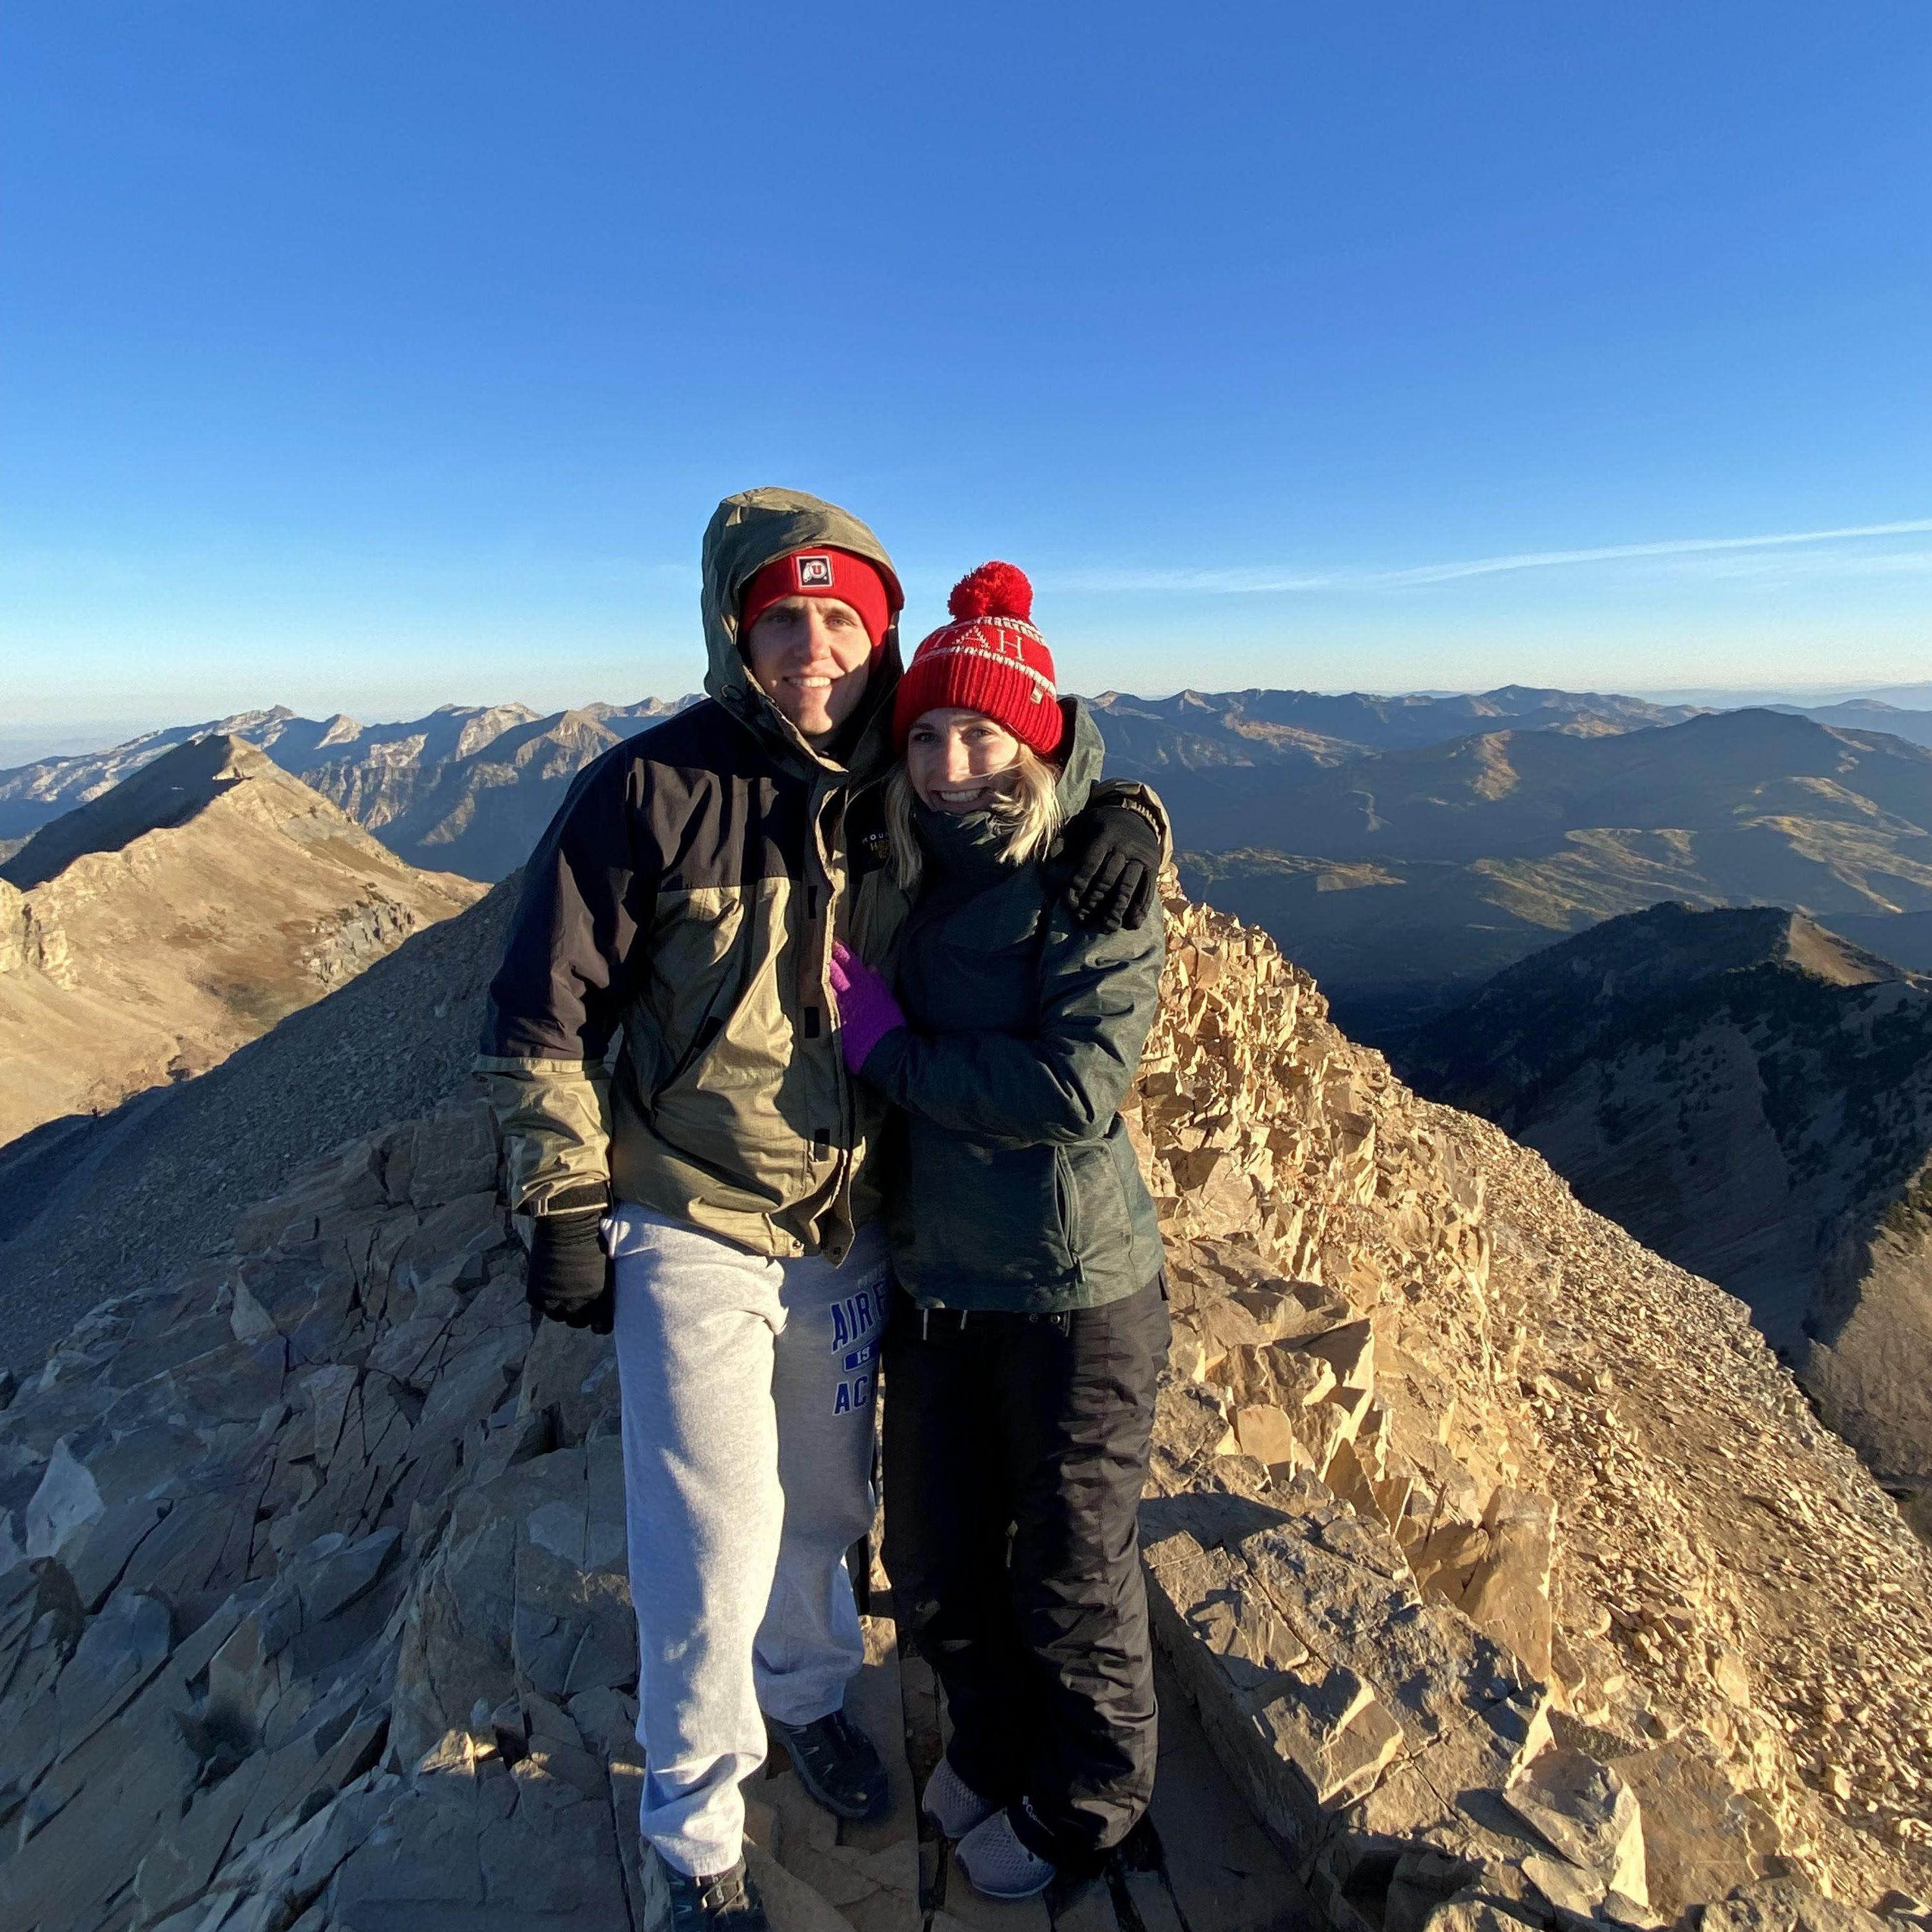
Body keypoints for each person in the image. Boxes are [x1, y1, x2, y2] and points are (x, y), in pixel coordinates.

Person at [477, 492, 1168, 1931]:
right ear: (734, 631)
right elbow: (540, 1008)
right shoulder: (648, 787)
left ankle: (802, 1697)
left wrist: (1124, 804)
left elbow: (1017, 755)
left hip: (851, 1228)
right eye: (780, 619)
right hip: (690, 1214)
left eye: (839, 618)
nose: (811, 648)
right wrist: (559, 1194)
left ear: (879, 634)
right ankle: (694, 1830)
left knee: (830, 1506)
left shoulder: (899, 782)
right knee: (708, 1534)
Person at [828, 561, 1170, 1903]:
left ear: (1032, 741)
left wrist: (895, 1053)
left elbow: (1076, 1090)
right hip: (939, 1278)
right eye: (922, 734)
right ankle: (993, 1735)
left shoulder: (1086, 878)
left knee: (1073, 1569)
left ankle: (1091, 1799)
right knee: (937, 1557)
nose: (946, 758)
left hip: (1068, 1287)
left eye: (977, 731)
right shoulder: (902, 855)